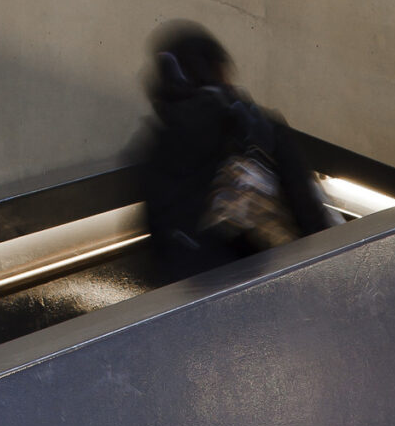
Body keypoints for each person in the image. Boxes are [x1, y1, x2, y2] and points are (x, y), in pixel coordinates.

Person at [135, 22, 330, 280]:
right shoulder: (257, 127)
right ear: (219, 70)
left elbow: (157, 241)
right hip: (267, 286)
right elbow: (311, 217)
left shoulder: (155, 148)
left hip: (187, 302)